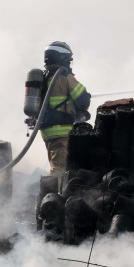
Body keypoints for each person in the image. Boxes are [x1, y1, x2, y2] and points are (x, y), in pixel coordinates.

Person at [39, 41, 91, 175]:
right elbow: (83, 99)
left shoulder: (44, 78)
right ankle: (48, 195)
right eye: (69, 60)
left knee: (57, 165)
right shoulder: (64, 77)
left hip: (48, 132)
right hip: (61, 131)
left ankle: (55, 193)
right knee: (59, 170)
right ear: (63, 58)